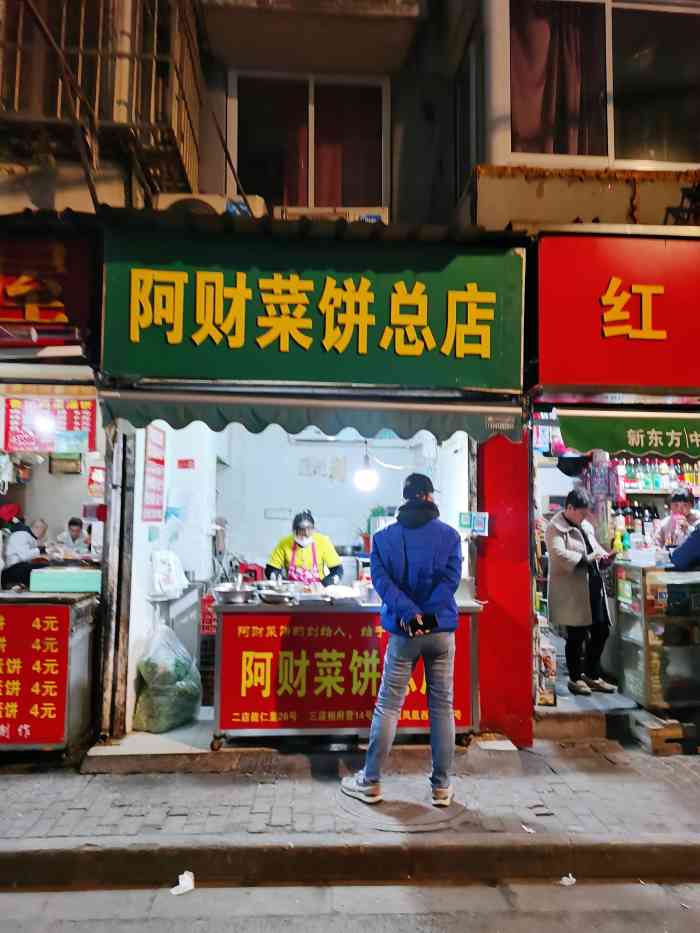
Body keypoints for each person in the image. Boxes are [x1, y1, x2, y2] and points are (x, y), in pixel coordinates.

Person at [341, 473, 462, 807]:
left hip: (404, 633)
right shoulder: (450, 537)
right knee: (441, 708)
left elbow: (382, 584)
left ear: (406, 497)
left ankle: (371, 782)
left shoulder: (383, 540)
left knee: (389, 706)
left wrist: (410, 615)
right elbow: (450, 582)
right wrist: (427, 617)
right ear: (428, 496)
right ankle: (441, 788)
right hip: (439, 632)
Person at [546, 488, 616, 696]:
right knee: (576, 635)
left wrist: (604, 558)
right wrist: (586, 559)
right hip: (572, 591)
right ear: (569, 508)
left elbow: (594, 549)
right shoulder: (555, 528)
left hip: (593, 587)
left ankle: (592, 675)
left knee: (601, 630)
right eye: (581, 512)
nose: (585, 517)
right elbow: (558, 554)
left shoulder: (585, 525)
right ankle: (575, 678)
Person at [265, 510, 343, 586]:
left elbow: (337, 569)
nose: (305, 536)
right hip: (292, 589)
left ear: (313, 530)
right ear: (294, 531)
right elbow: (271, 568)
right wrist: (275, 576)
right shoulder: (284, 543)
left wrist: (331, 580)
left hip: (318, 588)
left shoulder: (323, 541)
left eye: (308, 532)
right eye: (301, 532)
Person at [1, 517, 48, 588]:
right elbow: (24, 556)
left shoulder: (28, 535)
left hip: (17, 568)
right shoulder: (21, 534)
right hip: (11, 570)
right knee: (42, 568)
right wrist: (41, 550)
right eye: (44, 531)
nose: (44, 534)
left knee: (43, 566)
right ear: (38, 528)